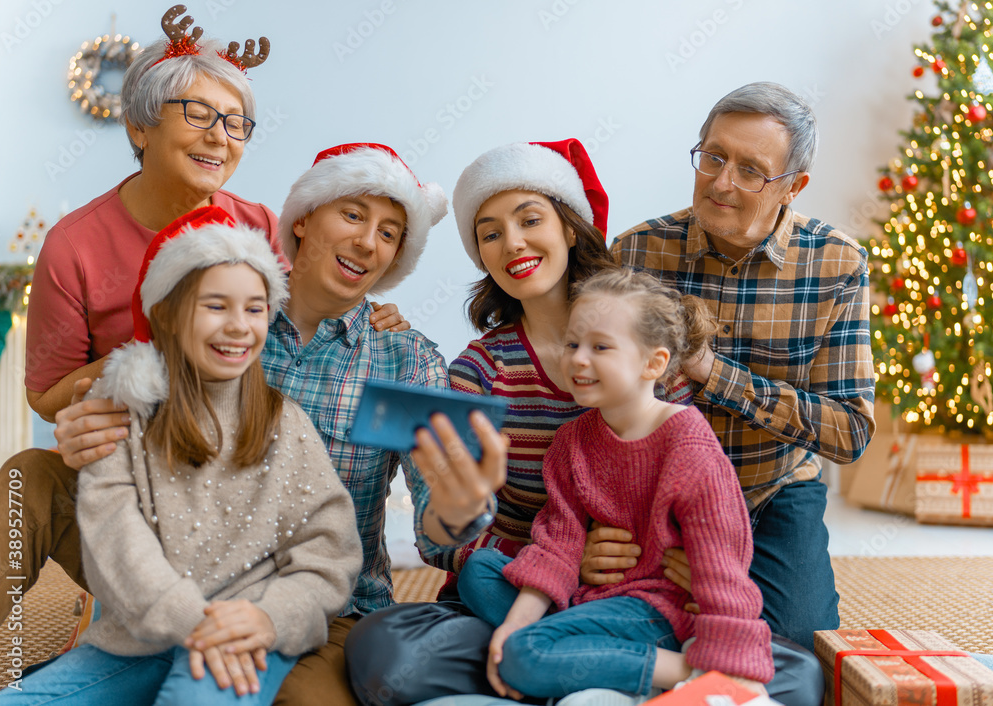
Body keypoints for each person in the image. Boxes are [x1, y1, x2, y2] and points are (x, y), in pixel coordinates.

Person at [345, 140, 823, 706]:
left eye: (530, 219)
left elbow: (695, 495)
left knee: (799, 668)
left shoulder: (639, 342)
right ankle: (571, 664)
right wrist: (564, 564)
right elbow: (443, 538)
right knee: (387, 654)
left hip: (642, 591)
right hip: (535, 582)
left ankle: (561, 668)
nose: (513, 243)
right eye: (490, 233)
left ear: (570, 228)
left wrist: (685, 568)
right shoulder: (478, 371)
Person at [43, 142, 507, 705]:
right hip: (183, 579)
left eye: (389, 233)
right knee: (32, 479)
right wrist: (87, 422)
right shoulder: (225, 317)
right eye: (354, 215)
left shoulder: (404, 361)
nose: (368, 241)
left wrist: (454, 514)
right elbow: (137, 390)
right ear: (305, 220)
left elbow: (438, 528)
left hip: (327, 606)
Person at [0, 11, 402, 631]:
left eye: (237, 123)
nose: (222, 137)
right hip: (132, 492)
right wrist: (147, 356)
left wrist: (375, 314)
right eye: (198, 114)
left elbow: (310, 318)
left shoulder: (258, 226)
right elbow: (47, 397)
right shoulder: (74, 246)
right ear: (139, 124)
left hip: (233, 500)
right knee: (28, 480)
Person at [0, 206, 363, 704]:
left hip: (249, 633)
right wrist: (194, 621)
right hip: (142, 634)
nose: (238, 327)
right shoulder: (122, 413)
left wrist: (268, 617)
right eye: (216, 306)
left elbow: (328, 550)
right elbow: (117, 543)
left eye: (254, 309)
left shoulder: (284, 422)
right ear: (165, 313)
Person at [603, 82, 876, 656]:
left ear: (793, 187)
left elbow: (849, 431)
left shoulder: (838, 264)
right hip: (656, 493)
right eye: (714, 157)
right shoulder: (636, 252)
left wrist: (711, 371)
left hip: (770, 488)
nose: (722, 182)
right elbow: (593, 382)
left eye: (751, 170)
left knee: (799, 648)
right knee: (626, 624)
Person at [456, 268, 773, 702]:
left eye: (600, 347)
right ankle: (580, 655)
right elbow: (558, 546)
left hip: (657, 610)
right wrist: (514, 624)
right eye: (572, 344)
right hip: (592, 597)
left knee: (523, 655)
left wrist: (729, 658)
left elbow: (723, 565)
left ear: (654, 363)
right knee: (478, 571)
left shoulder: (688, 443)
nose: (578, 360)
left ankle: (690, 670)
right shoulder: (572, 441)